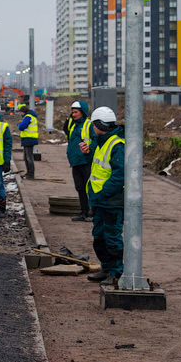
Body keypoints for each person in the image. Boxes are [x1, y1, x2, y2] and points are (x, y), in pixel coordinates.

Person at [84, 107, 126, 284]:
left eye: (94, 124)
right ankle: (106, 268)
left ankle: (116, 273)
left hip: (111, 201)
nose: (92, 128)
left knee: (112, 238)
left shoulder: (116, 145)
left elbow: (119, 174)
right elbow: (97, 167)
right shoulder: (102, 142)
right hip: (100, 200)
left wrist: (103, 192)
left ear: (99, 125)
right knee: (99, 237)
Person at [64, 100, 93, 221]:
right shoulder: (73, 125)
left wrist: (89, 151)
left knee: (90, 189)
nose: (73, 114)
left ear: (83, 112)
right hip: (75, 162)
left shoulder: (88, 125)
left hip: (86, 162)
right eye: (72, 112)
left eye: (76, 112)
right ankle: (84, 212)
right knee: (80, 188)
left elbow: (95, 141)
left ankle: (92, 213)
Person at [17, 101, 40, 180]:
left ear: (23, 112)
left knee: (28, 157)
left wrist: (19, 125)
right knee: (27, 157)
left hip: (28, 138)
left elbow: (21, 127)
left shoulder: (28, 117)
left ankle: (30, 174)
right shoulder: (32, 117)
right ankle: (29, 173)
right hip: (30, 138)